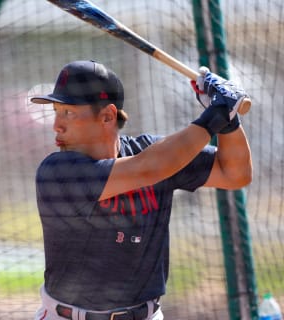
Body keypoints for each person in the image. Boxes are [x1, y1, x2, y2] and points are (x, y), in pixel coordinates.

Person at [30, 60, 252, 320]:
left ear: (107, 116)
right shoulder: (57, 172)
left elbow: (235, 173)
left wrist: (229, 122)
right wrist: (215, 114)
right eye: (56, 111)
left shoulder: (149, 152)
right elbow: (149, 168)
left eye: (68, 112)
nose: (57, 124)